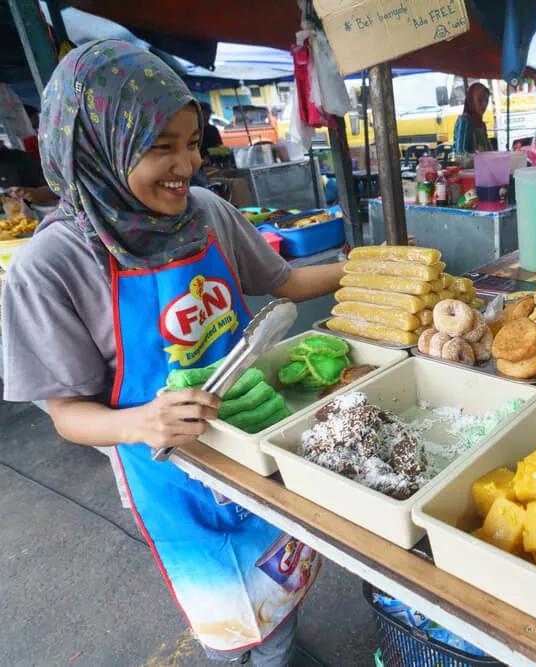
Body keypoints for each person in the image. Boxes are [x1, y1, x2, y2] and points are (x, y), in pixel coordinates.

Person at [1, 41, 345, 666]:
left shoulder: (206, 212)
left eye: (192, 143)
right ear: (97, 146)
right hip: (168, 472)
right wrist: (142, 421)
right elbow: (67, 415)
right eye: (161, 146)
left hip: (257, 439)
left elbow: (286, 283)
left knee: (280, 586)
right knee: (223, 615)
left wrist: (370, 269)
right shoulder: (51, 266)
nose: (186, 165)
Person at [452, 82, 491, 155]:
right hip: (468, 162)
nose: (484, 105)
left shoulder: (481, 124)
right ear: (472, 101)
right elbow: (461, 151)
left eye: (486, 101)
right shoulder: (464, 121)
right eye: (480, 100)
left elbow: (487, 148)